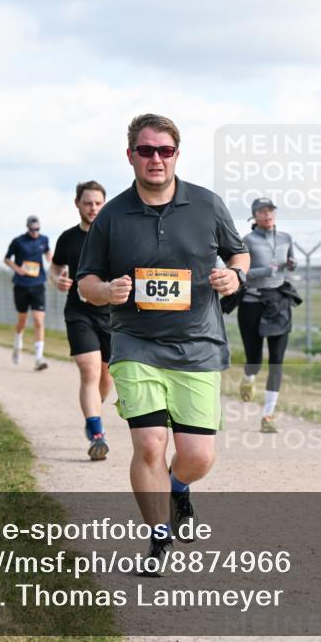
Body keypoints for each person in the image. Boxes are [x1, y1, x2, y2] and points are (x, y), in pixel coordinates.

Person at [77, 114, 249, 572]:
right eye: (146, 150)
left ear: (176, 155)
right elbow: (84, 282)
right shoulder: (112, 215)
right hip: (136, 343)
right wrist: (104, 291)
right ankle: (158, 539)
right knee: (150, 445)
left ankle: (178, 488)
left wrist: (235, 275)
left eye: (165, 151)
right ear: (131, 154)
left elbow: (238, 252)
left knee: (197, 456)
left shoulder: (207, 205)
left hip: (198, 344)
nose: (156, 159)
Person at [51, 180, 112, 460]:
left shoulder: (115, 236)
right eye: (88, 203)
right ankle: (97, 434)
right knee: (89, 371)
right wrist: (57, 280)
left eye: (98, 203)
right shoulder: (67, 238)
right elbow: (55, 266)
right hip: (79, 312)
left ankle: (92, 415)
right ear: (77, 203)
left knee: (106, 376)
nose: (93, 208)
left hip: (110, 315)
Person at [238, 198, 299, 433]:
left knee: (277, 360)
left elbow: (291, 265)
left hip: (279, 302)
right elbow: (242, 273)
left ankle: (268, 416)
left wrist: (292, 264)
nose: (267, 214)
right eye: (262, 211)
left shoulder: (286, 238)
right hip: (252, 302)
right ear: (254, 216)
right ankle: (249, 377)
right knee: (254, 360)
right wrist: (267, 270)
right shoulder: (248, 241)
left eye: (270, 210)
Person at [5, 215, 52, 371]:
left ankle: (39, 358)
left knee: (39, 320)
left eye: (38, 229)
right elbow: (7, 259)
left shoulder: (44, 239)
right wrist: (17, 268)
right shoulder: (18, 241)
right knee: (22, 321)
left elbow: (48, 254)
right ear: (27, 228)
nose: (35, 232)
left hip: (38, 283)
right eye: (32, 230)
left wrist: (53, 260)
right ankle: (18, 344)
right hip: (21, 285)